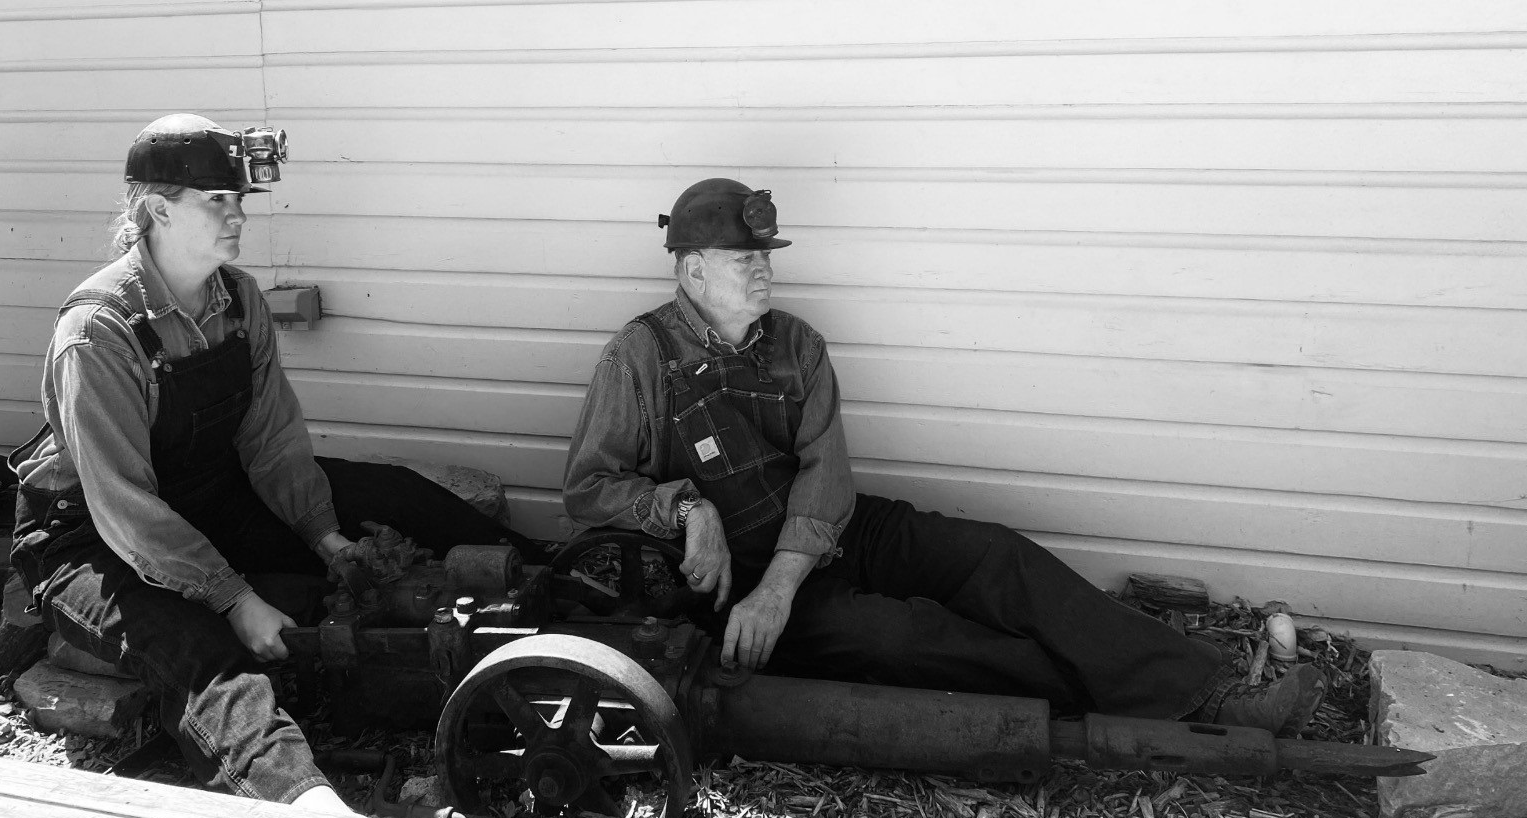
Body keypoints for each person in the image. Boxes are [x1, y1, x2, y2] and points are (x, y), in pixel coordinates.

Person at [563, 179, 1326, 734]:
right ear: (692, 269)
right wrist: (688, 508)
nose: (765, 270)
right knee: (908, 639)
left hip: (828, 540)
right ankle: (1100, 695)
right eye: (743, 261)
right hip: (737, 587)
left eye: (766, 256)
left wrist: (784, 585)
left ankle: (1210, 691)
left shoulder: (798, 344)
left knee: (997, 557)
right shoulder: (639, 358)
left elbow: (827, 475)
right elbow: (590, 487)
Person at [10, 114, 533, 812]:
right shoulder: (100, 332)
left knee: (395, 494)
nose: (237, 219)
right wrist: (233, 598)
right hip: (93, 539)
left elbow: (272, 442)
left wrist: (324, 535)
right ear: (158, 209)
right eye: (216, 203)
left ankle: (572, 589)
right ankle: (310, 815)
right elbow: (126, 509)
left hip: (207, 492)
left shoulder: (238, 298)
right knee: (203, 654)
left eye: (241, 202)